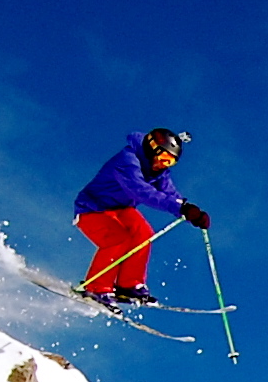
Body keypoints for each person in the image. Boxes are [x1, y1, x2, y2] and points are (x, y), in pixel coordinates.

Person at [73, 128, 210, 304]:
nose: (164, 164)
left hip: (121, 208)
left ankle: (129, 286)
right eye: (163, 158)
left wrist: (190, 210)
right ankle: (96, 288)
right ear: (152, 149)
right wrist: (180, 208)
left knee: (143, 234)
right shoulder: (127, 161)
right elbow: (142, 192)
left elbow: (169, 193)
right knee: (118, 239)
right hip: (92, 208)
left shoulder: (159, 171)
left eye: (170, 162)